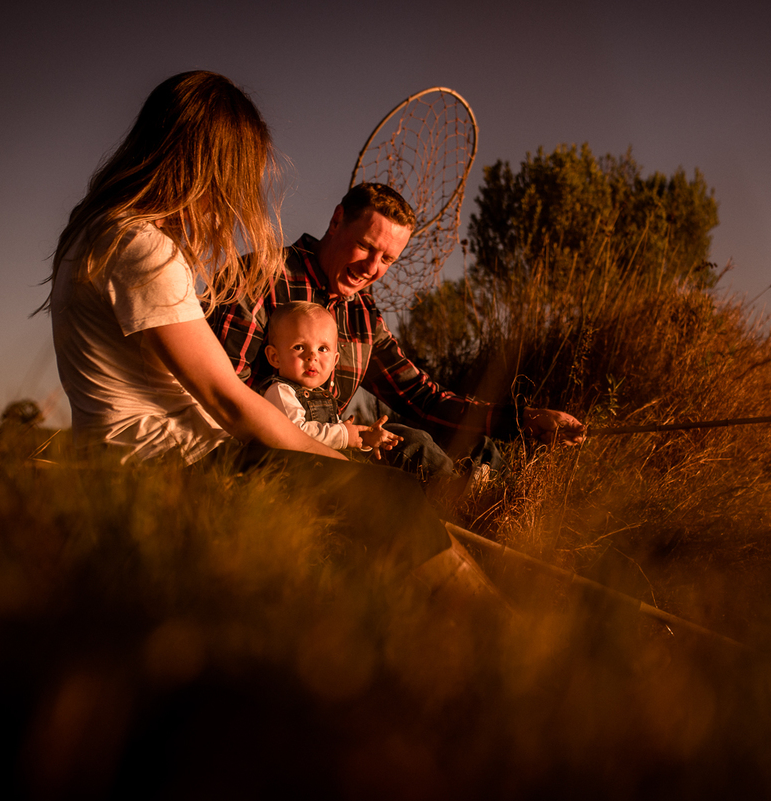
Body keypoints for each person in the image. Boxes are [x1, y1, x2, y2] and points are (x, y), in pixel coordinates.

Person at [42, 72, 472, 583]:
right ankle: (489, 623)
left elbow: (415, 393)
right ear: (204, 162)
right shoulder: (141, 246)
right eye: (239, 172)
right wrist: (339, 464)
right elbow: (228, 398)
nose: (236, 194)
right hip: (169, 462)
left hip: (164, 455)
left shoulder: (103, 234)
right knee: (386, 497)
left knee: (392, 494)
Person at [211, 182, 585, 478]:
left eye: (387, 259)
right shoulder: (260, 277)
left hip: (334, 449)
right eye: (365, 246)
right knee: (412, 443)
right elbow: (222, 394)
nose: (372, 269)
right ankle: (452, 505)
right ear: (337, 221)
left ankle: (494, 508)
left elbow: (422, 398)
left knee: (468, 445)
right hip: (262, 457)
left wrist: (523, 418)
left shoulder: (362, 315)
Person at [263, 301, 399, 456]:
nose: (312, 356)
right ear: (275, 357)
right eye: (299, 347)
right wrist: (343, 434)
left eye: (322, 349)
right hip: (291, 466)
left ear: (335, 361)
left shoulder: (324, 396)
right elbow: (295, 434)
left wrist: (363, 437)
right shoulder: (280, 392)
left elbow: (332, 434)